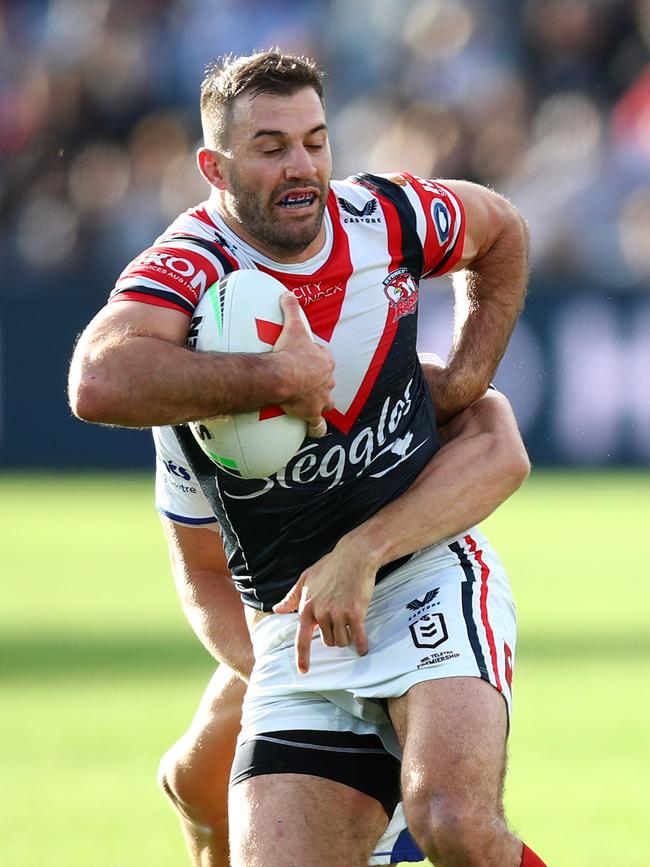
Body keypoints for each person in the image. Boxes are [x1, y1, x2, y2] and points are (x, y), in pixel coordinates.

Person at [68, 49, 546, 867]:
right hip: (298, 625)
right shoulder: (188, 278)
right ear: (213, 166)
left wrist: (466, 375)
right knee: (208, 791)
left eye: (315, 141)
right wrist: (273, 377)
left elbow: (500, 229)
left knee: (454, 821)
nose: (302, 167)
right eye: (271, 147)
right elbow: (96, 380)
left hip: (423, 572)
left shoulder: (383, 219)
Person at [153, 366, 531, 867]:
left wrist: (365, 550)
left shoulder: (371, 339)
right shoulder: (183, 415)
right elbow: (202, 572)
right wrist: (286, 670)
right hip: (291, 629)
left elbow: (500, 450)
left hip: (416, 584)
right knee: (193, 780)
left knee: (455, 823)